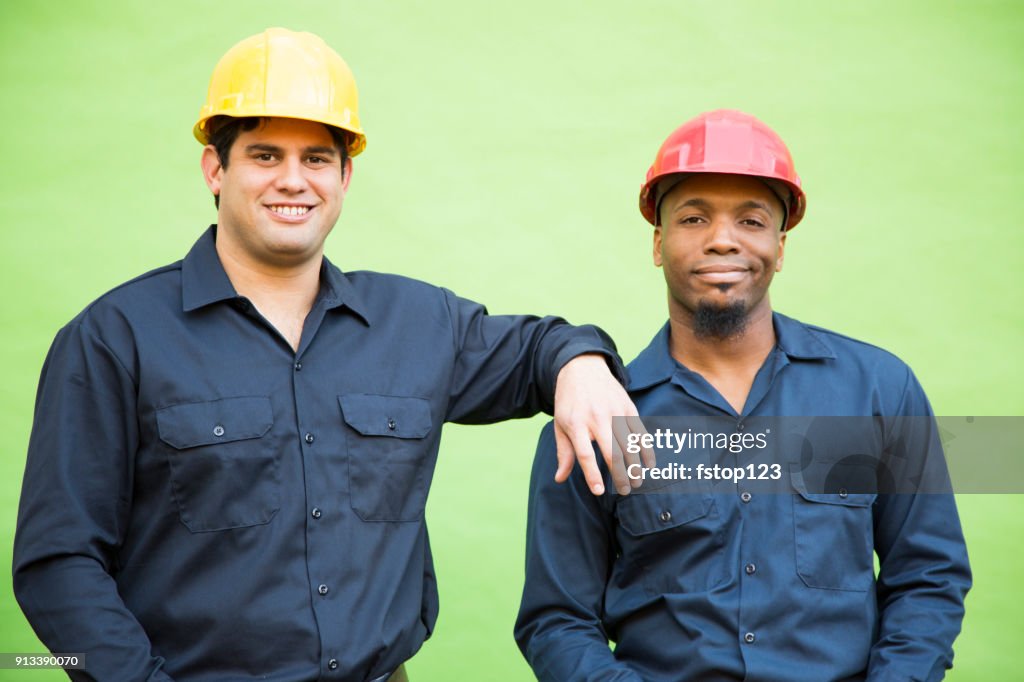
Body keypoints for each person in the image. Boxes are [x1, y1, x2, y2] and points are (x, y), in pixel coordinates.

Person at [12, 28, 647, 682]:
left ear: (345, 175)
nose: (293, 180)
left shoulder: (418, 324)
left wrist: (581, 367)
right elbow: (56, 566)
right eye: (264, 155)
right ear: (214, 168)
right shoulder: (114, 338)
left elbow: (541, 346)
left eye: (316, 158)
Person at [515, 109, 972, 681]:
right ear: (659, 243)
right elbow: (557, 621)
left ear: (781, 247)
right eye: (694, 218)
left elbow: (928, 578)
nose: (722, 240)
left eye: (752, 221)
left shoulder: (879, 389)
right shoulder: (597, 417)